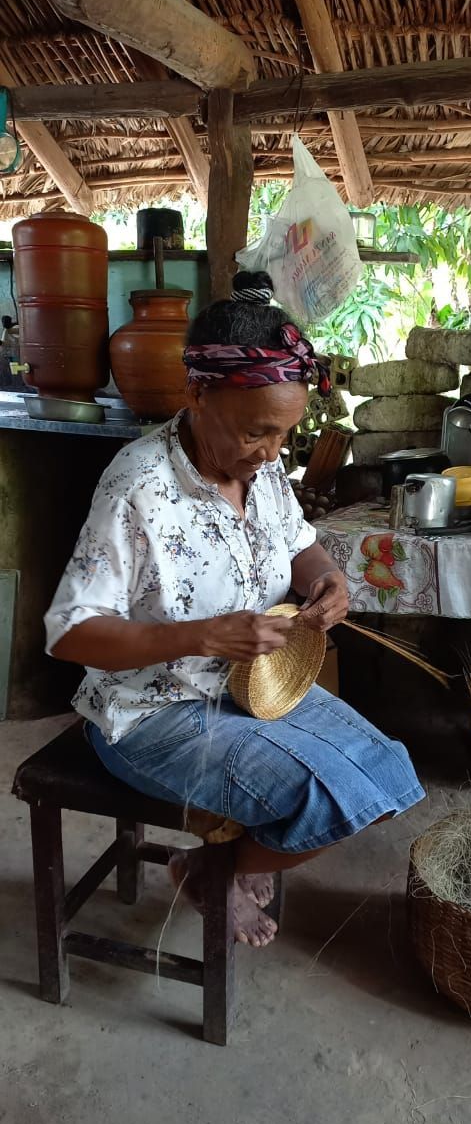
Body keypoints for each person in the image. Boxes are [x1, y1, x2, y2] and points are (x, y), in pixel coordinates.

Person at [45, 271, 424, 948]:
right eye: (258, 432)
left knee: (390, 775)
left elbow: (301, 548)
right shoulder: (138, 486)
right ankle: (218, 872)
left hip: (256, 692)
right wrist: (204, 635)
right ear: (197, 392)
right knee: (334, 799)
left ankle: (212, 868)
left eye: (284, 434)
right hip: (152, 715)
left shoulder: (266, 470)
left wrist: (326, 580)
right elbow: (71, 635)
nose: (273, 452)